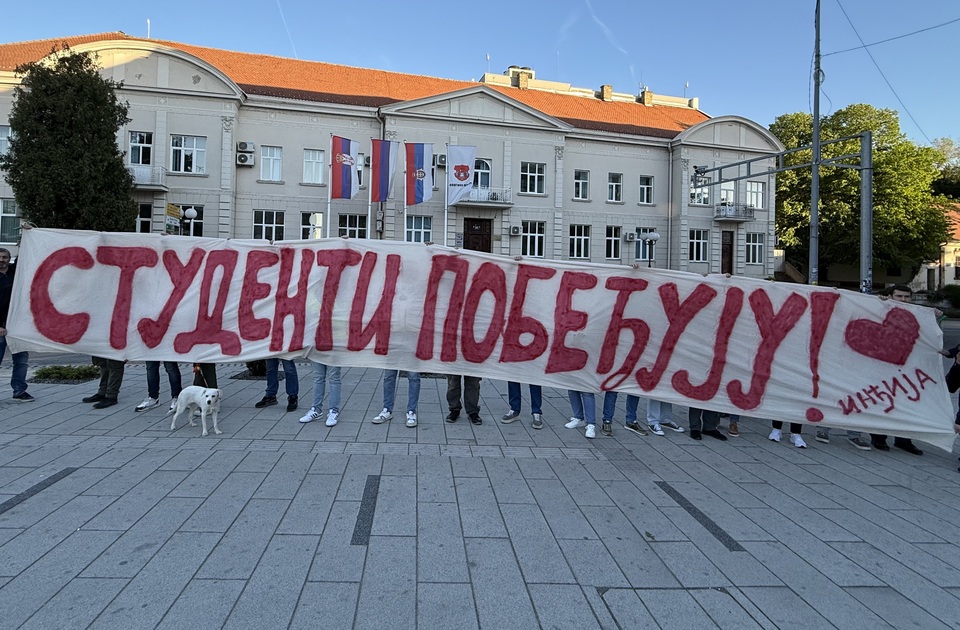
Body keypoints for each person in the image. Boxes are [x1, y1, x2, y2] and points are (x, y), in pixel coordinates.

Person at [871, 285, 924, 455]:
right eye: (899, 296)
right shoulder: (881, 308)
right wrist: (878, 302)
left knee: (906, 404)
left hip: (907, 366)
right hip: (883, 365)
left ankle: (903, 440)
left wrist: (935, 315)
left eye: (906, 297)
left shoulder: (919, 313)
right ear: (890, 296)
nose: (903, 300)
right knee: (883, 401)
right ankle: (879, 438)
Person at [0, 247, 33, 402]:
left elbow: (26, 253)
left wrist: (27, 233)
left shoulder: (15, 272)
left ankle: (19, 390)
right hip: (1, 327)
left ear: (9, 258)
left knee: (21, 361)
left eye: (5, 257)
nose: (2, 260)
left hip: (17, 325)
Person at [299, 361, 340, 426]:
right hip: (317, 352)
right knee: (318, 377)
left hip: (334, 352)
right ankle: (316, 409)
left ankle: (333, 410)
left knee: (333, 378)